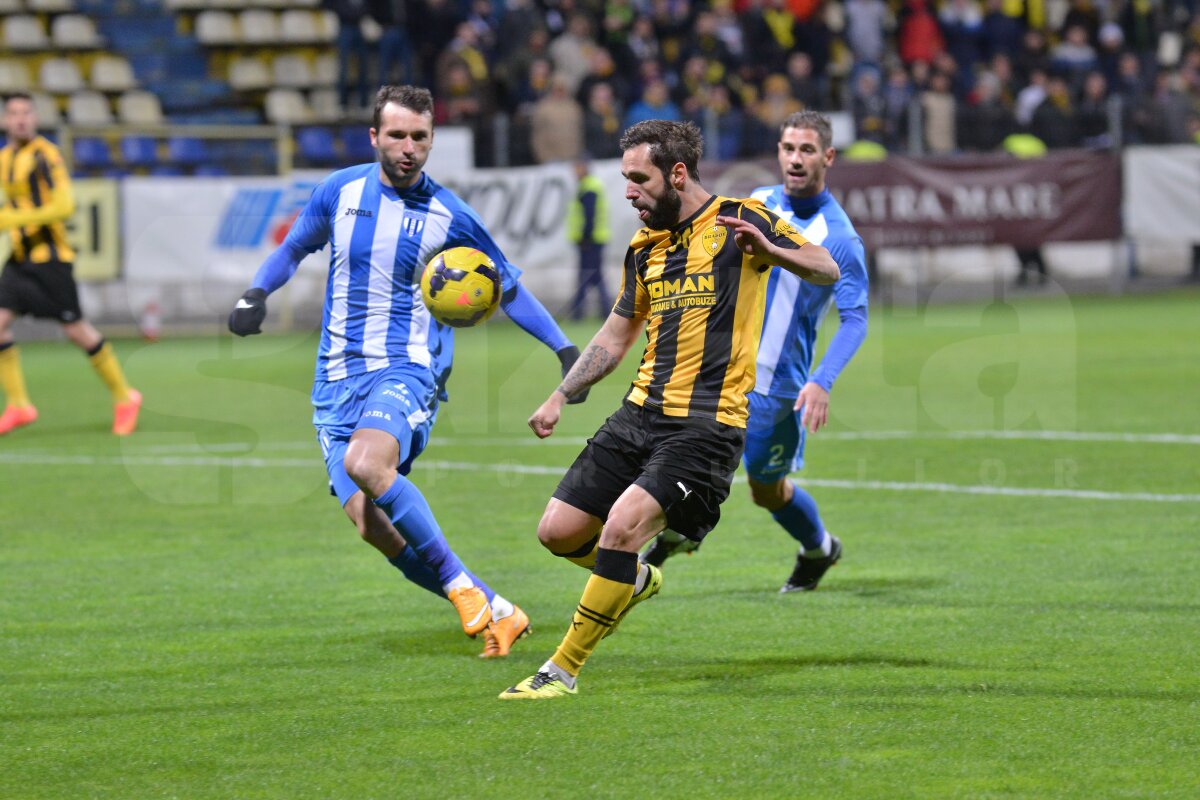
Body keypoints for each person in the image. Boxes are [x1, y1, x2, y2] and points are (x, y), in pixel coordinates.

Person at [227, 85, 584, 658]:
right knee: (371, 526)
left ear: (431, 140)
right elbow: (293, 247)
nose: (408, 147)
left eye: (420, 136)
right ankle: (497, 607)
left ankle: (461, 587)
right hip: (334, 381)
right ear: (374, 137)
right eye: (397, 135)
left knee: (367, 462)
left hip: (407, 369)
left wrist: (564, 351)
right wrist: (255, 292)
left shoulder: (451, 214)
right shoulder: (340, 191)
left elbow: (508, 288)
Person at [499, 120, 839, 699]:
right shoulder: (644, 245)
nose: (628, 191)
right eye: (625, 178)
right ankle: (632, 581)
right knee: (557, 532)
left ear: (677, 174)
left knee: (622, 527)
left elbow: (826, 267)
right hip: (639, 413)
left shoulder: (740, 220)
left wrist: (773, 253)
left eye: (639, 178)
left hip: (707, 424)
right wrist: (563, 394)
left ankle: (560, 671)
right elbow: (615, 333)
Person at [640, 111, 869, 595]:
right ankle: (675, 533)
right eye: (788, 148)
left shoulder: (840, 239)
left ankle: (819, 548)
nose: (795, 159)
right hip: (718, 369)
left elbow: (856, 319)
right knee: (686, 458)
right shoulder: (757, 203)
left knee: (767, 491)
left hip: (777, 387)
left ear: (827, 157)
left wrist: (821, 380)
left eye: (807, 150)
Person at [0, 92, 141, 436]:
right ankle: (19, 405)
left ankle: (125, 397)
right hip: (19, 259)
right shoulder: (4, 158)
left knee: (77, 330)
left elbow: (65, 207)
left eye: (26, 113)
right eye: (13, 113)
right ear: (4, 120)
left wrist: (14, 218)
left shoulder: (47, 156)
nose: (20, 119)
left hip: (51, 260)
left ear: (34, 118)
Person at [566, 155, 613, 320]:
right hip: (595, 239)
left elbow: (589, 215)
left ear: (584, 167)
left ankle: (578, 312)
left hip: (591, 240)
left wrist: (585, 237)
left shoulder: (588, 187)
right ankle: (606, 311)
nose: (575, 171)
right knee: (595, 276)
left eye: (577, 167)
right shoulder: (589, 186)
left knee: (586, 276)